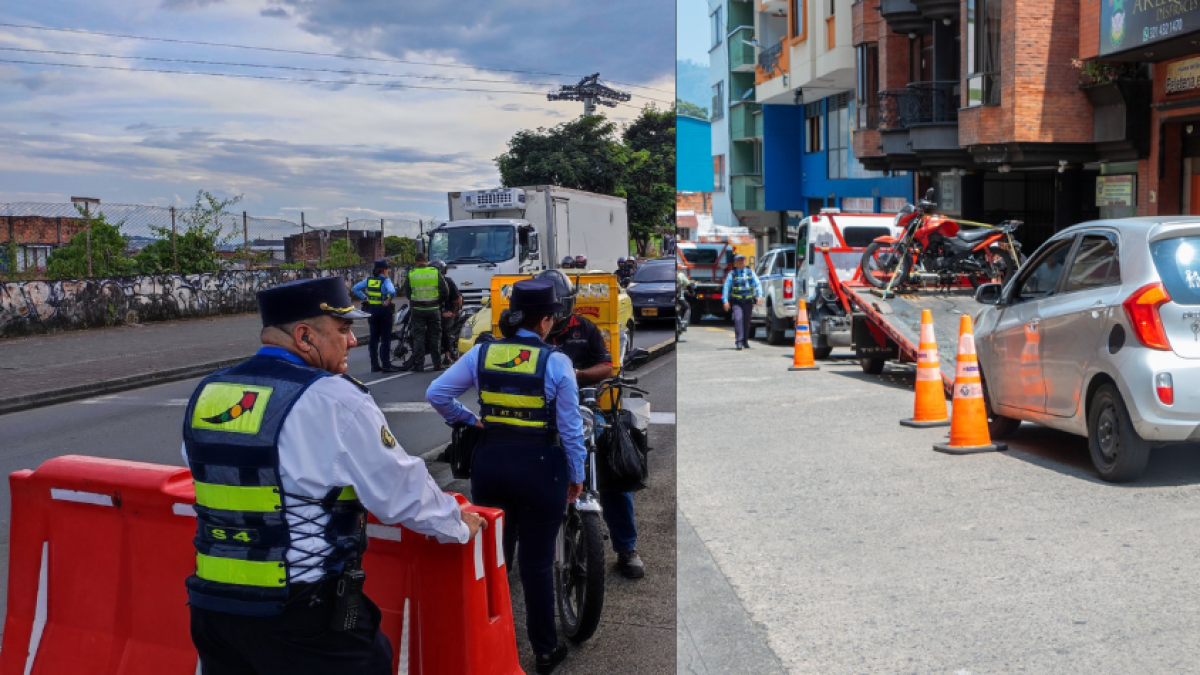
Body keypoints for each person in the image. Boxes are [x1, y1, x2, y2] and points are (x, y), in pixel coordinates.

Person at [182, 276, 485, 674]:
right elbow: (399, 490)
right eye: (342, 330)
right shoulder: (334, 399)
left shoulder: (210, 392)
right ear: (305, 336)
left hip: (214, 611)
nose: (353, 341)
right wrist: (456, 523)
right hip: (302, 614)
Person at [426, 279, 585, 675]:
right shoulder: (556, 362)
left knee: (493, 560)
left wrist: (471, 421)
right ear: (546, 321)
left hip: (491, 463)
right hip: (541, 467)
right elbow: (570, 430)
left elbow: (437, 394)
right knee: (536, 565)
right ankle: (545, 651)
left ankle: (486, 647)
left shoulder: (482, 353)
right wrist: (577, 475)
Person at [538, 269, 645, 579]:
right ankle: (510, 545)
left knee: (613, 473)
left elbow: (607, 366)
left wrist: (576, 376)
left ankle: (626, 548)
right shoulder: (532, 334)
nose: (554, 315)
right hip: (539, 414)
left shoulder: (584, 328)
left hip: (583, 411)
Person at [399, 252, 449, 372]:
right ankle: (437, 364)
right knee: (435, 336)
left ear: (416, 262)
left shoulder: (411, 274)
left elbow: (407, 292)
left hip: (417, 310)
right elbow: (445, 290)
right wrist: (438, 302)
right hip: (433, 309)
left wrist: (415, 300)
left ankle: (419, 365)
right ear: (426, 261)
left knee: (418, 337)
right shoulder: (434, 272)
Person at [351, 259, 400, 373]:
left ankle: (374, 365)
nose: (388, 271)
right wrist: (388, 300)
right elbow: (392, 291)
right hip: (384, 311)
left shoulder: (369, 280)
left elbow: (355, 288)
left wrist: (365, 298)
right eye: (387, 268)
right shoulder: (385, 281)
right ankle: (386, 365)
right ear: (383, 270)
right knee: (385, 339)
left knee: (373, 339)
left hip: (371, 311)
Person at [723, 253, 762, 350]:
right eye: (738, 260)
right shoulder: (731, 274)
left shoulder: (750, 272)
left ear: (744, 261)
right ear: (735, 263)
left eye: (742, 260)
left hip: (748, 302)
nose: (740, 262)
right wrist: (725, 301)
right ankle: (739, 342)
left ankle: (745, 341)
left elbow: (757, 284)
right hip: (737, 302)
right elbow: (726, 288)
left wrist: (760, 296)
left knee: (746, 322)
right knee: (738, 319)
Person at [432, 259, 463, 363]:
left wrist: (453, 313)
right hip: (433, 312)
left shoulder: (448, 282)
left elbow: (458, 299)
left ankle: (447, 355)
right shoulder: (429, 283)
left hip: (447, 312)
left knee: (445, 330)